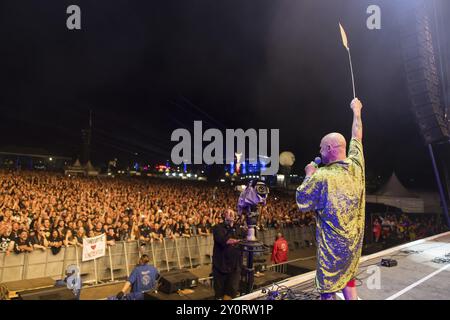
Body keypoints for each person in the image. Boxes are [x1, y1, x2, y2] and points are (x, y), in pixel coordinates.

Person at [296, 98, 365, 300]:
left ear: (329, 149)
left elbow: (302, 200)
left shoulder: (321, 176)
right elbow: (357, 135)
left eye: (321, 148)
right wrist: (357, 111)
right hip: (353, 244)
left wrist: (309, 173)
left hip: (331, 249)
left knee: (328, 290)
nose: (319, 151)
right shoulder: (356, 165)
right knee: (349, 281)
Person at [212, 209, 243, 300]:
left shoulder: (238, 228)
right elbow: (223, 240)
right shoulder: (218, 227)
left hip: (235, 266)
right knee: (220, 293)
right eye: (228, 213)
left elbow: (246, 238)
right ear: (223, 216)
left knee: (232, 291)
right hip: (221, 265)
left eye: (232, 213)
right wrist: (231, 229)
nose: (231, 214)